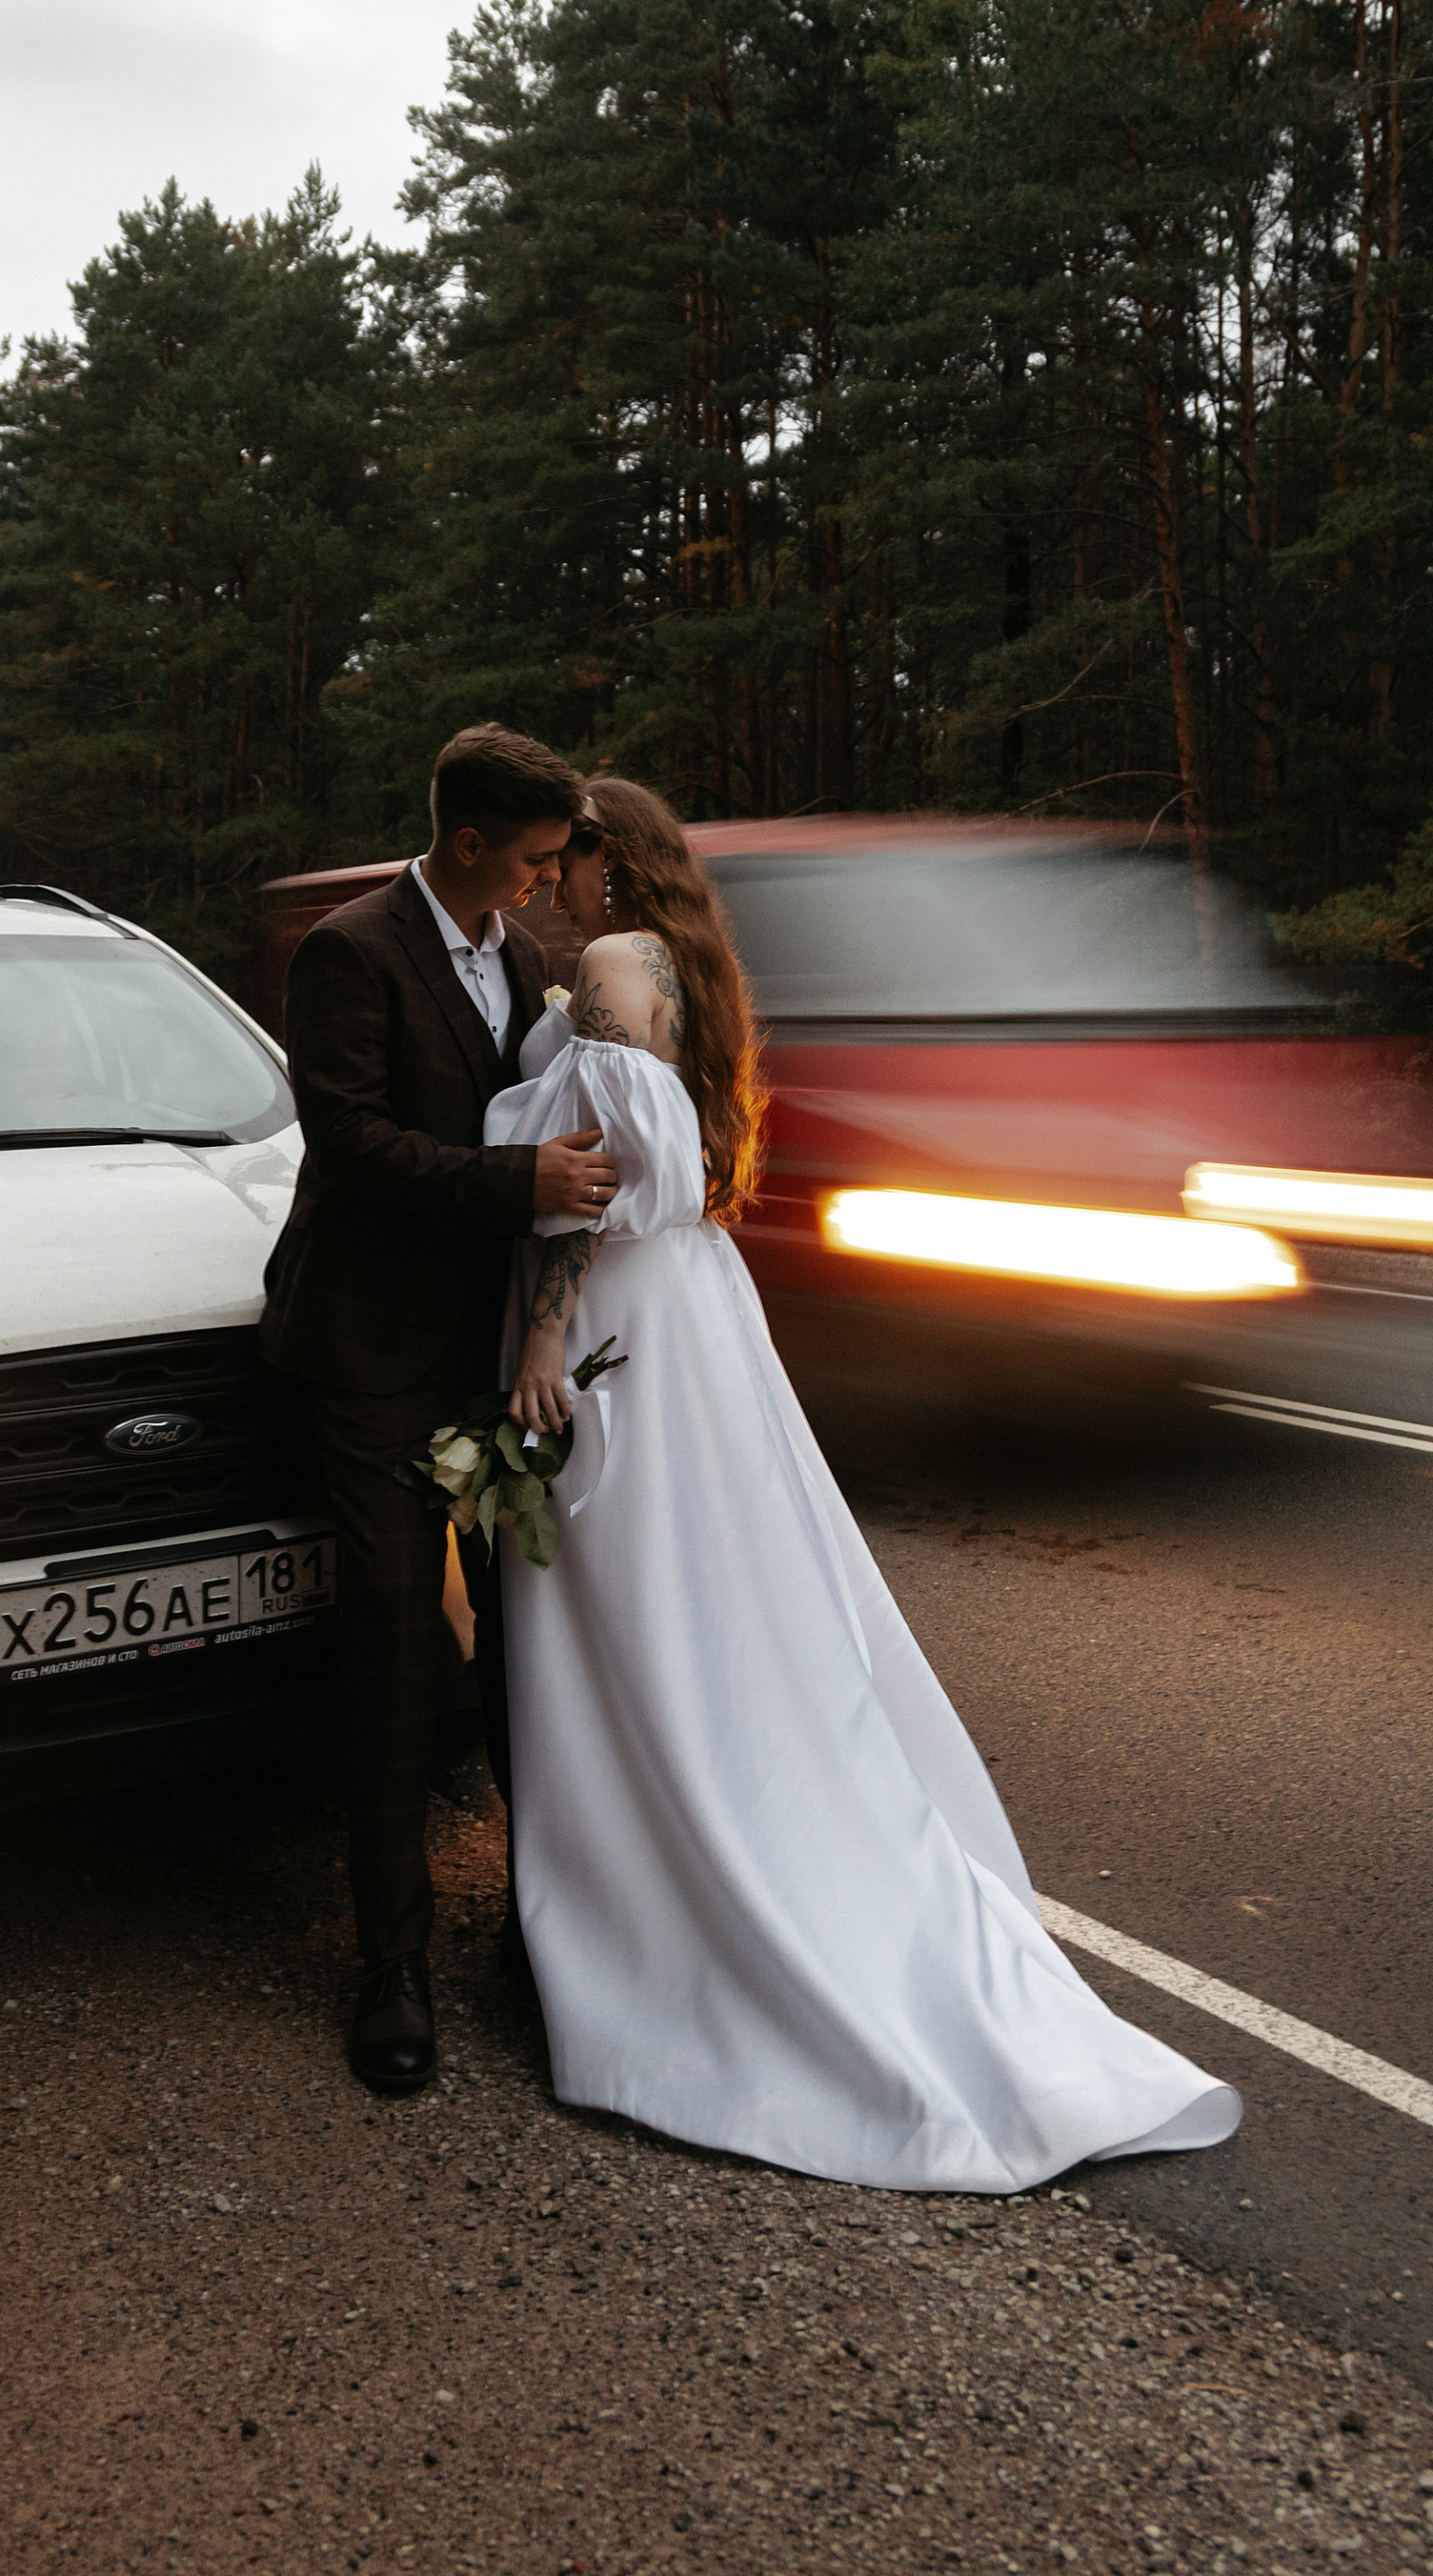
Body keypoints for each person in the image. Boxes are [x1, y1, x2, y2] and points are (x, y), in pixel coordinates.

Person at [484, 778, 1242, 2193]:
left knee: (633, 1625)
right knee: (718, 1609)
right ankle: (662, 1887)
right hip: (700, 1319)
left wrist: (537, 1334)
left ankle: (646, 1925)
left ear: (605, 859)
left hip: (617, 1332)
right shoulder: (684, 967)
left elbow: (592, 1179)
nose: (544, 880)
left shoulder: (605, 968)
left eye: (561, 857)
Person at [260, 723, 620, 2094]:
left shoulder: (536, 961)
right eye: (531, 858)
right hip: (370, 1351)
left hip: (497, 1354)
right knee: (399, 1650)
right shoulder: (348, 952)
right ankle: (392, 1966)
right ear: (467, 841)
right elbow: (348, 1151)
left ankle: (542, 1935)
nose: (546, 882)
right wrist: (520, 1184)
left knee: (525, 1648)